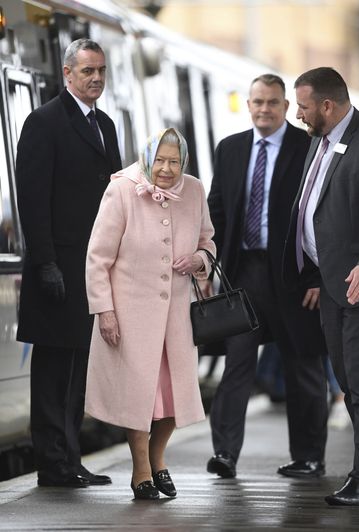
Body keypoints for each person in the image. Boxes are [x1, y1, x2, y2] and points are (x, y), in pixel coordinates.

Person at [203, 73, 328, 479]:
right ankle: (224, 454)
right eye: (257, 102)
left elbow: (323, 217)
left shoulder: (309, 148)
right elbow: (216, 213)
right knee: (236, 367)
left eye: (272, 102)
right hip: (244, 276)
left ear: (286, 107)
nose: (263, 110)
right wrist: (207, 264)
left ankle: (308, 457)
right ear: (249, 104)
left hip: (295, 277)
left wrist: (318, 277)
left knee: (303, 366)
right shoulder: (230, 149)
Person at [283, 66, 359, 506]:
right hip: (332, 284)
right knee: (349, 383)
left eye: (304, 107)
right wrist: (312, 271)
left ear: (327, 106)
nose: (298, 114)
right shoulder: (322, 141)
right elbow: (318, 209)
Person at [84, 127, 216, 500]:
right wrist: (104, 311)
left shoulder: (194, 190)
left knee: (175, 397)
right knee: (138, 397)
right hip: (130, 314)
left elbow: (208, 241)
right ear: (147, 159)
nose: (167, 169)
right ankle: (141, 468)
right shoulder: (122, 189)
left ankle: (158, 460)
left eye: (174, 161)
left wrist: (201, 259)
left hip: (176, 316)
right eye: (159, 160)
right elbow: (98, 258)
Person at [16, 38, 122, 488]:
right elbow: (32, 200)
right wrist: (46, 264)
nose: (95, 78)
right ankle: (52, 464)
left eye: (101, 70)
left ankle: (71, 458)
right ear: (67, 74)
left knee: (81, 369)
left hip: (92, 270)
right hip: (57, 271)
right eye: (87, 71)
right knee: (54, 371)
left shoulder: (107, 125)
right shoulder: (43, 123)